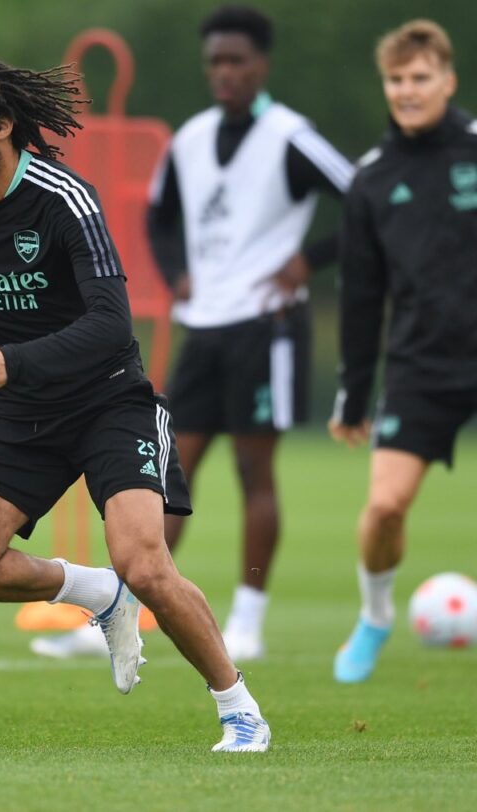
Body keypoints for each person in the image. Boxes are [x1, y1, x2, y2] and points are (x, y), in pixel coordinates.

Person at [0, 41, 270, 752]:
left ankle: (239, 711)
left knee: (146, 560)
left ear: (1, 127)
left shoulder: (64, 198)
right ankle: (98, 595)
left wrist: (8, 360)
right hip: (17, 412)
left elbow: (112, 324)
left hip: (108, 400)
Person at [146, 5, 353, 662]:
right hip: (203, 328)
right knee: (169, 472)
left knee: (252, 470)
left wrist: (309, 262)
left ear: (261, 66)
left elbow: (368, 199)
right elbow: (159, 217)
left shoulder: (291, 136)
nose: (224, 72)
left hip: (267, 328)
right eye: (215, 62)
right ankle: (132, 613)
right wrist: (176, 272)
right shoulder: (191, 138)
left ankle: (248, 621)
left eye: (237, 61)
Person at [330, 20, 477, 683]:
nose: (408, 91)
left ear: (448, 80)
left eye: (421, 78)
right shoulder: (369, 179)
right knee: (385, 507)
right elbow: (362, 297)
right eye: (397, 80)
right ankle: (377, 615)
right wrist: (353, 396)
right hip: (420, 366)